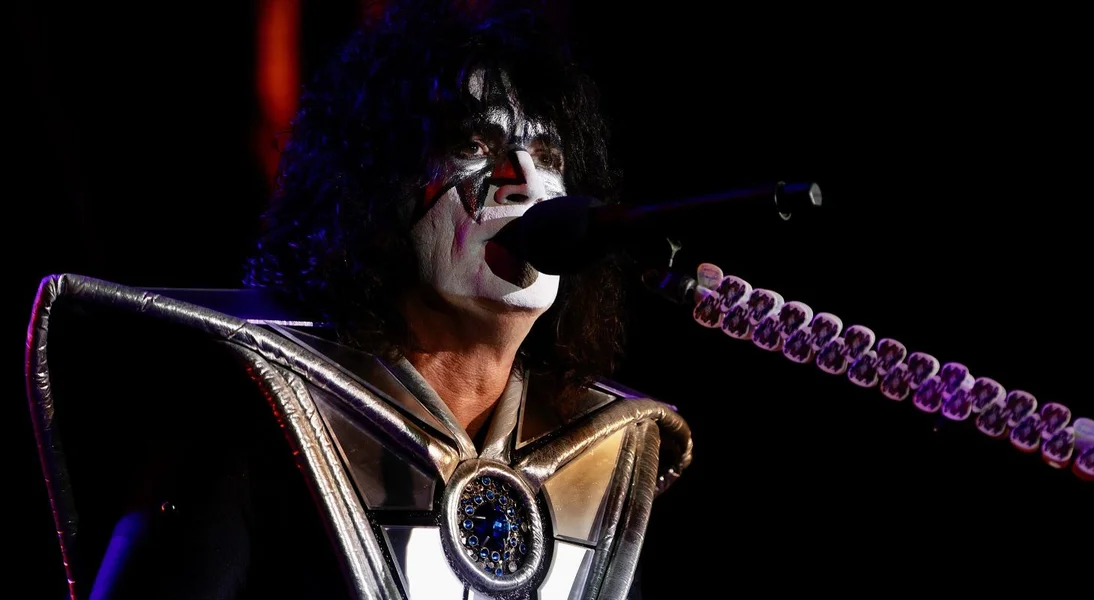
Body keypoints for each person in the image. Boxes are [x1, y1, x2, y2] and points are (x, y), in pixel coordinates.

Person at [23, 2, 692, 599]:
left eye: (547, 156)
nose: (523, 182)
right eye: (473, 145)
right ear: (373, 192)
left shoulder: (608, 458)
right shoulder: (252, 426)